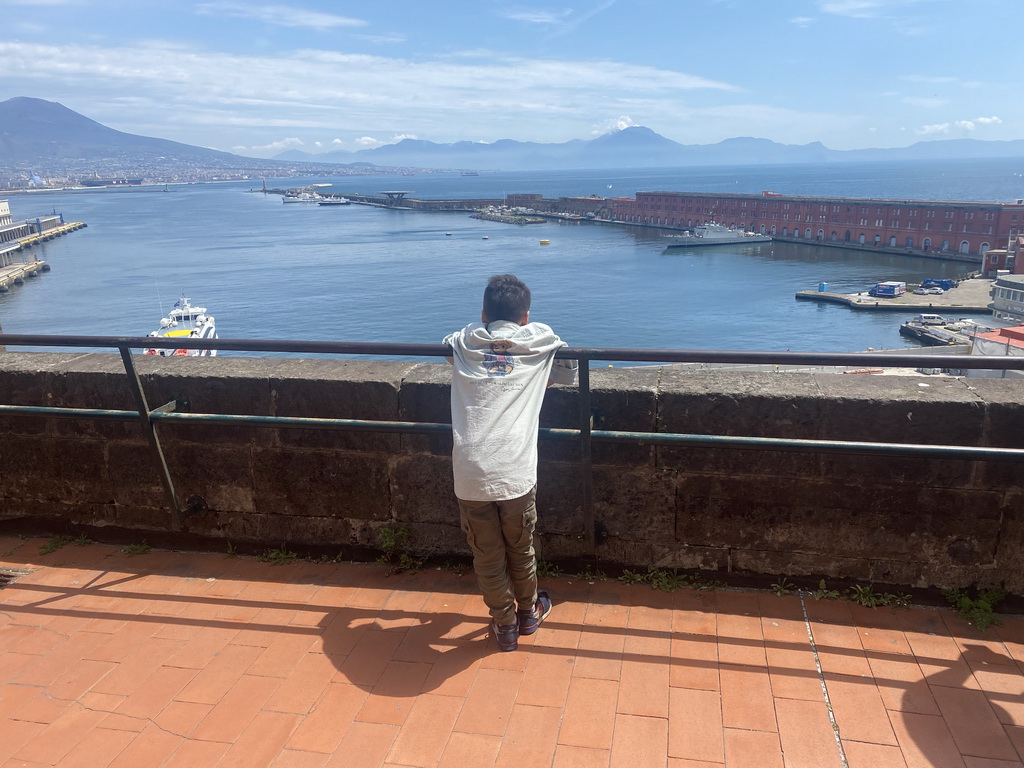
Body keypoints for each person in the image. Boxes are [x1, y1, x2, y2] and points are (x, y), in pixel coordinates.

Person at [443, 274, 577, 651]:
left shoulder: (464, 341)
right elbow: (567, 373)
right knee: (521, 545)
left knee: (487, 553)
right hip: (515, 468)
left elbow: (449, 344)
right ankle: (529, 612)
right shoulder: (542, 340)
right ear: (526, 316)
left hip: (469, 468)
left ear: (484, 313)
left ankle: (504, 625)